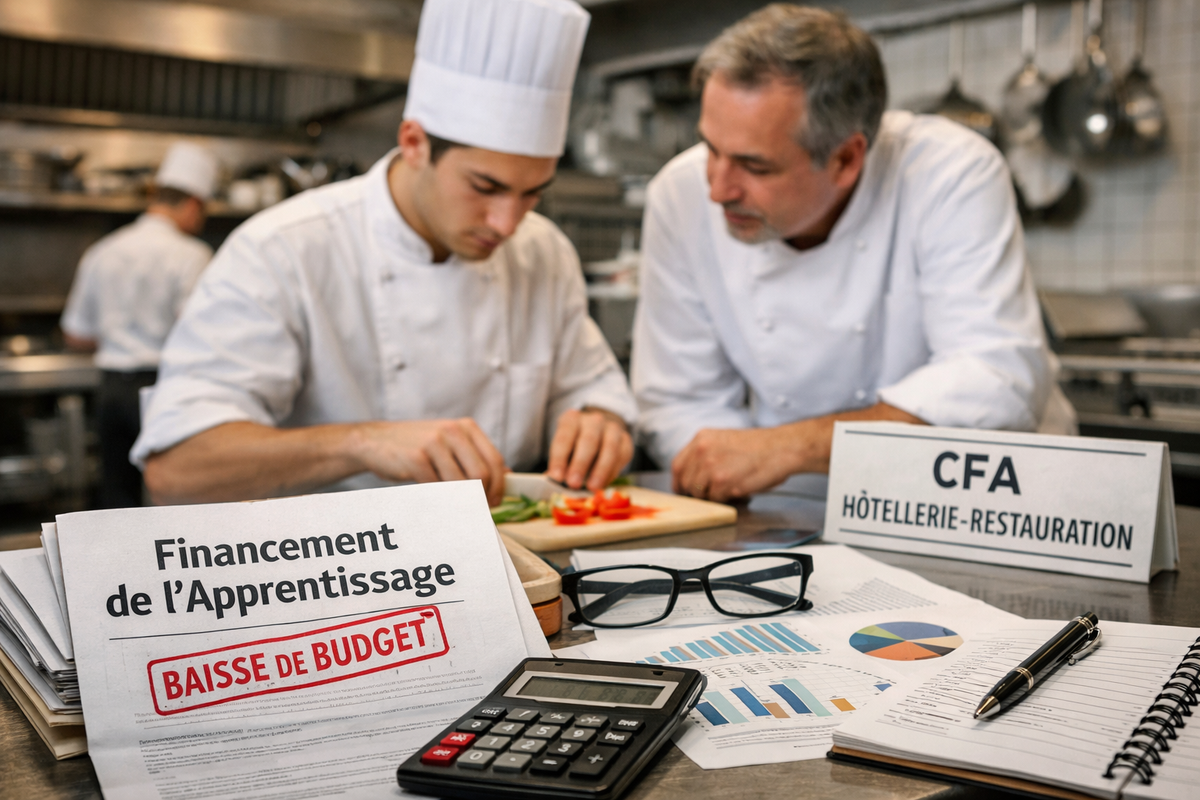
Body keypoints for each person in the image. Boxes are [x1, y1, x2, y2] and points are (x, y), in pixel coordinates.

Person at [133, 0, 635, 508]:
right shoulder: (284, 250)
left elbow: (592, 387)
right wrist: (363, 441)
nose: (508, 224)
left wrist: (600, 422)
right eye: (485, 186)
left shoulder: (543, 251)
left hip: (515, 561)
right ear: (414, 142)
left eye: (533, 193)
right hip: (329, 572)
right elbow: (176, 469)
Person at [631, 4, 1074, 503]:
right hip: (786, 507)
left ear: (845, 158)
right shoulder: (680, 194)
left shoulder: (949, 174)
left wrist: (790, 447)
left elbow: (994, 380)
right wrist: (728, 474)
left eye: (754, 166)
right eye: (711, 148)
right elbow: (679, 398)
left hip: (974, 502)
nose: (717, 189)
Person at [61, 142, 218, 508]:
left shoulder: (103, 250)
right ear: (194, 204)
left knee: (116, 499)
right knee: (170, 497)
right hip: (163, 389)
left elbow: (76, 335)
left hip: (112, 389)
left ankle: (114, 566)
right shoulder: (192, 255)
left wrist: (121, 332)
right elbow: (200, 332)